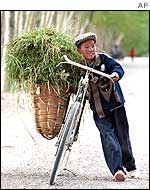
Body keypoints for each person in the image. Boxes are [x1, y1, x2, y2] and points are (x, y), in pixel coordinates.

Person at [74, 32, 137, 182]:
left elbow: (117, 67)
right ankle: (117, 170)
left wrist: (115, 74)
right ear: (79, 51)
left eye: (93, 46)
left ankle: (130, 165)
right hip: (99, 111)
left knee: (122, 137)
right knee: (108, 138)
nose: (91, 49)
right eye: (86, 47)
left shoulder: (104, 60)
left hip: (116, 106)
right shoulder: (79, 67)